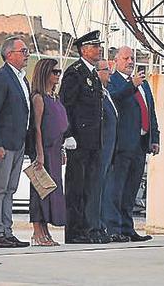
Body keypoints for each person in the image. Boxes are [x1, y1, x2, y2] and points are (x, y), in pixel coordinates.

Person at [104, 46, 159, 243]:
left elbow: (150, 111)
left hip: (140, 144)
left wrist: (155, 138)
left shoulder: (142, 84)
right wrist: (132, 86)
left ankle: (128, 228)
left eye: (132, 58)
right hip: (121, 146)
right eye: (126, 58)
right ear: (116, 61)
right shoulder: (114, 81)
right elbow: (114, 98)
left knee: (131, 191)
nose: (130, 62)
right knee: (116, 189)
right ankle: (113, 228)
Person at [0, 35, 33, 248]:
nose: (27, 55)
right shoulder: (2, 77)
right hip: (4, 143)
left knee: (11, 189)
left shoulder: (22, 78)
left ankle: (7, 230)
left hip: (18, 142)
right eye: (23, 51)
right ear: (9, 54)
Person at [60, 30, 105, 244]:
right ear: (83, 50)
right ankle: (74, 231)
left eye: (98, 46)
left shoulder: (93, 74)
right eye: (94, 46)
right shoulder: (75, 72)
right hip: (78, 140)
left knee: (89, 187)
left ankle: (86, 229)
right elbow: (66, 105)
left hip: (92, 140)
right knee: (76, 188)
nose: (98, 50)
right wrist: (68, 134)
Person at [30, 57, 67, 246]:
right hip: (43, 150)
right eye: (55, 72)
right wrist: (39, 153)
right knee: (40, 190)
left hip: (55, 148)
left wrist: (61, 149)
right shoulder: (39, 98)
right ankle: (37, 231)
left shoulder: (55, 97)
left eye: (59, 72)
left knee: (52, 190)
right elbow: (37, 127)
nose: (58, 76)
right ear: (45, 73)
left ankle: (46, 231)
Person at [93, 57, 119, 241]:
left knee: (106, 188)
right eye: (105, 70)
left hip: (110, 148)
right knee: (97, 189)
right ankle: (97, 225)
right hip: (101, 148)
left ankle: (104, 225)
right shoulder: (97, 94)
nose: (109, 73)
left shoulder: (107, 92)